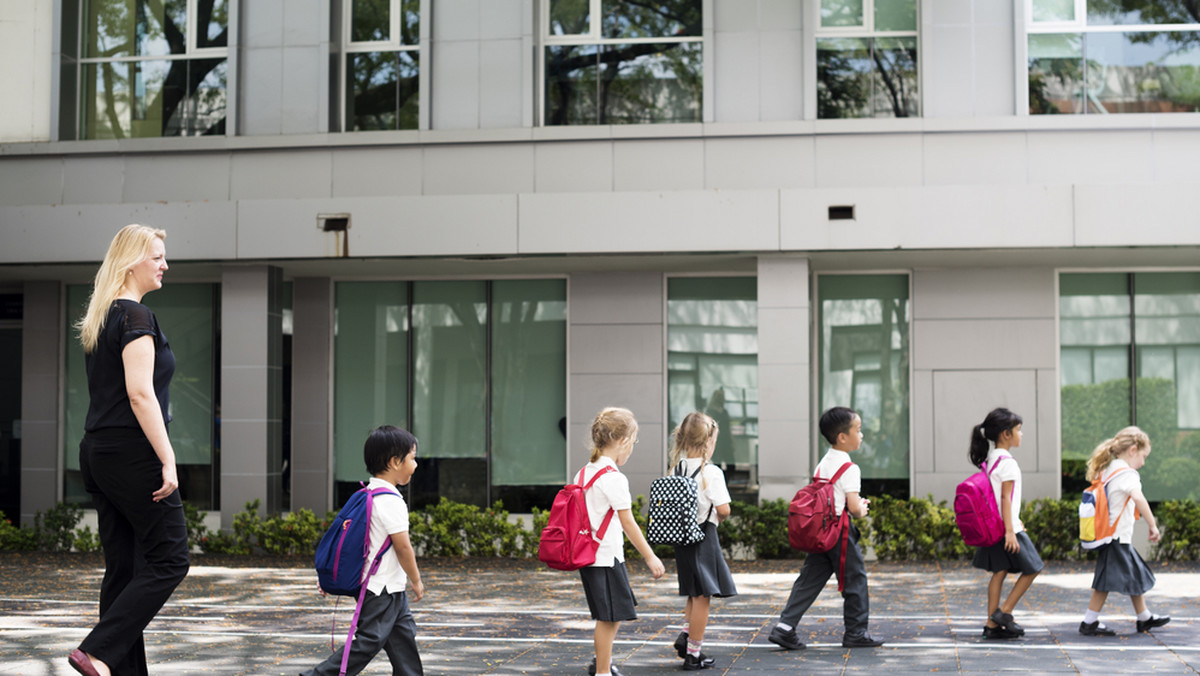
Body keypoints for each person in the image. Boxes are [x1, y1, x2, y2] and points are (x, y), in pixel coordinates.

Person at [70, 224, 190, 676]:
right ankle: (97, 650)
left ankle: (117, 668)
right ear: (131, 261)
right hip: (132, 454)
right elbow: (140, 395)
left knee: (124, 568)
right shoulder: (136, 318)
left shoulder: (102, 319)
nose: (165, 264)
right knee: (171, 558)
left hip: (98, 452)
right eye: (157, 256)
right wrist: (168, 458)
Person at [303, 425, 425, 675]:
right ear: (394, 462)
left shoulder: (366, 494)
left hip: (389, 587)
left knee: (403, 639)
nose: (416, 464)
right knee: (368, 642)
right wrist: (416, 579)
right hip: (380, 589)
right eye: (412, 458)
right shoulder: (391, 501)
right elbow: (403, 547)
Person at [768, 406, 883, 651]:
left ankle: (785, 627)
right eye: (858, 430)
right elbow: (852, 507)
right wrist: (862, 508)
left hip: (820, 530)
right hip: (839, 531)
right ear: (843, 437)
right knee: (855, 579)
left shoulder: (824, 463)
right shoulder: (850, 468)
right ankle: (856, 632)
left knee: (809, 579)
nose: (861, 435)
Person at [579, 407, 665, 676]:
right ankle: (602, 671)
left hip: (592, 555)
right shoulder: (613, 478)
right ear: (623, 441)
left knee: (612, 615)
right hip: (604, 557)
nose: (632, 448)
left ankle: (601, 663)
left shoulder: (584, 473)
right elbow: (628, 523)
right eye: (634, 442)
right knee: (609, 618)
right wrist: (650, 556)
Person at [1077, 426, 1170, 637]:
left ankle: (1144, 617)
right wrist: (1152, 524)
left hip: (1112, 536)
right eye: (1144, 456)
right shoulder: (1128, 473)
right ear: (1133, 450)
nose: (1144, 462)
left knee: (1133, 574)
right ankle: (1089, 622)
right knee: (1105, 582)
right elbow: (1138, 497)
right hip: (1116, 537)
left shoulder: (1110, 470)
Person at [668, 412, 737, 670]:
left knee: (693, 591)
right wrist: (721, 515)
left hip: (682, 537)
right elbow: (724, 508)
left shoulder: (677, 468)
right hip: (703, 536)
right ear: (708, 441)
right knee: (703, 597)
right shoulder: (712, 472)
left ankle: (686, 637)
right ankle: (693, 654)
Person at [969, 407, 1043, 640]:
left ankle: (991, 625)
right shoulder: (1008, 461)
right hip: (1006, 528)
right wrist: (1011, 530)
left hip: (994, 526)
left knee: (999, 572)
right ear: (1005, 434)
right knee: (1033, 568)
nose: (1022, 435)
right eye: (1019, 430)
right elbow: (1005, 498)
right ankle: (1005, 613)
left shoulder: (991, 459)